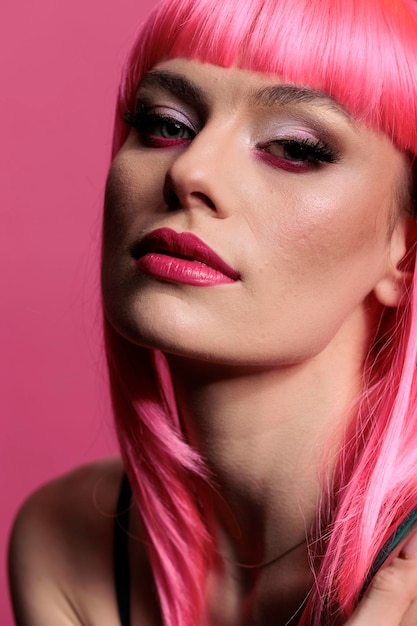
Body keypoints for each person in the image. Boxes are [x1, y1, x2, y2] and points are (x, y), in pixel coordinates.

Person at [8, 0, 417, 623]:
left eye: (294, 148)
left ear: (405, 254)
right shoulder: (66, 541)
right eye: (166, 124)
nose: (191, 170)